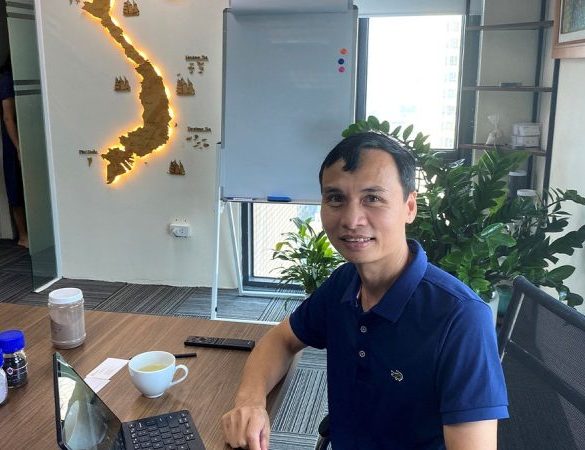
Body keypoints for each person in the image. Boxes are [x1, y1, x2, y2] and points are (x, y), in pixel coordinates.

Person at [222, 132, 508, 450]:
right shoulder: (345, 283)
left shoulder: (461, 318)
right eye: (335, 198)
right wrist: (250, 402)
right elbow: (281, 338)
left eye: (372, 198)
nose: (351, 219)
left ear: (409, 206)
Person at [0, 54, 28, 248]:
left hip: (26, 134)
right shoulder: (7, 79)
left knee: (26, 184)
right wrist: (18, 147)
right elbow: (8, 117)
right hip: (14, 139)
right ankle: (23, 235)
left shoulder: (20, 78)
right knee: (15, 184)